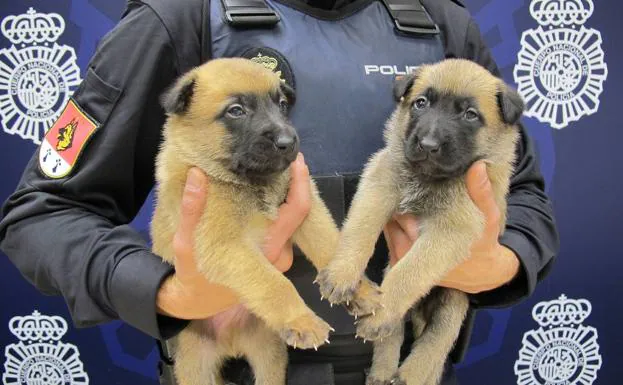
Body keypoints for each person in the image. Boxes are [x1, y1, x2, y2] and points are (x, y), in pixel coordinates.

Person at [0, 0, 559, 384]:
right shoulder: (178, 18)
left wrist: (500, 260)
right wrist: (163, 291)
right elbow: (42, 213)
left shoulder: (440, 23)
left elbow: (527, 198)